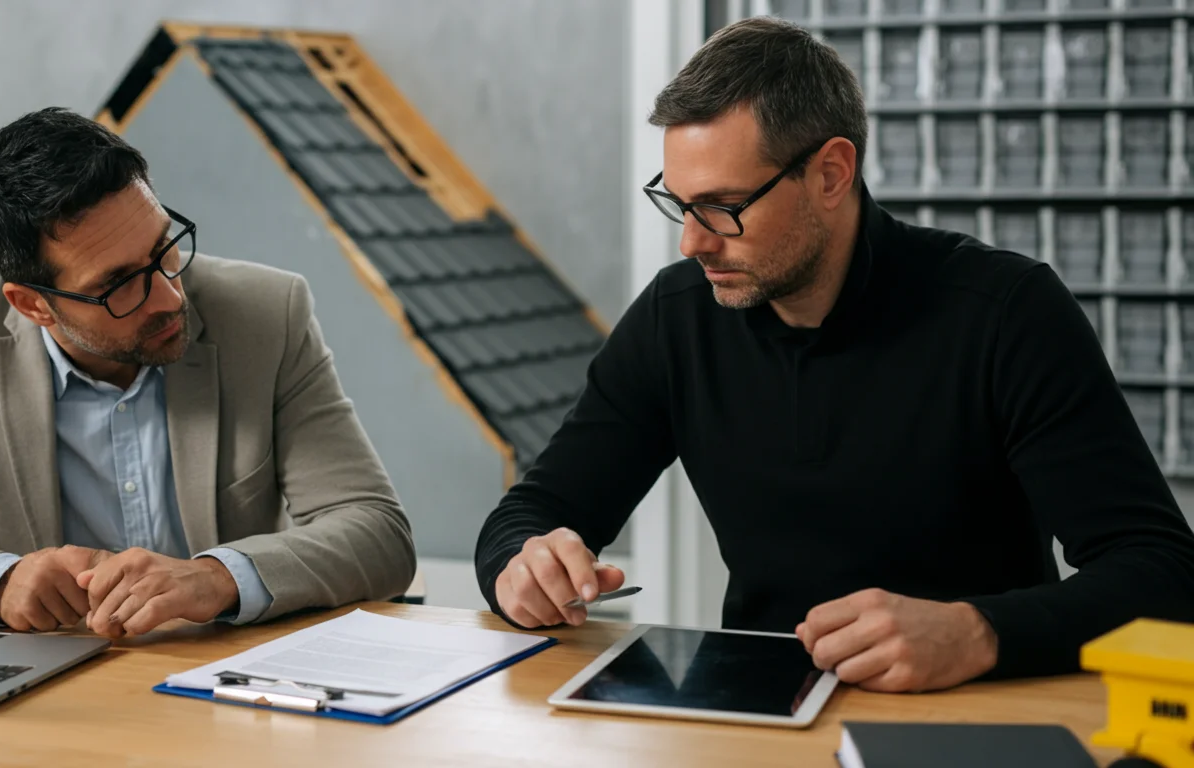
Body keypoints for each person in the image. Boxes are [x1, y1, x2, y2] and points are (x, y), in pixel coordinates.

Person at [475, 18, 1194, 692]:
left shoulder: (1006, 312)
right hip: (756, 716)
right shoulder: (676, 318)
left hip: (968, 712)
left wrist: (981, 632)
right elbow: (534, 511)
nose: (693, 243)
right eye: (680, 203)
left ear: (831, 173)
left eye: (723, 207)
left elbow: (1162, 571)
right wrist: (522, 566)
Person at [0, 107, 415, 638]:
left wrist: (218, 577)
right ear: (31, 304)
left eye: (164, 249)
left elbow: (377, 532)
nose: (167, 296)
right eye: (115, 285)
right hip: (54, 692)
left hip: (228, 677)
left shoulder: (266, 312)